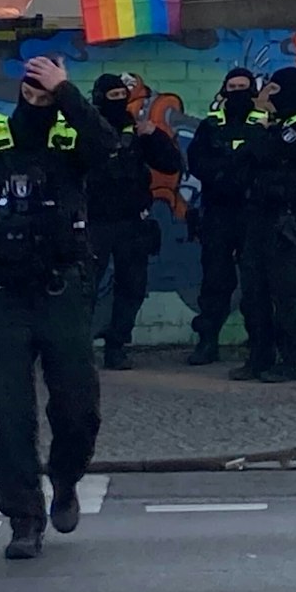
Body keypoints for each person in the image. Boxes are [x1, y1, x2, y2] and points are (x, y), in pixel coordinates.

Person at [0, 57, 115, 561]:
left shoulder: (71, 142)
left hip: (63, 293)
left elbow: (109, 147)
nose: (37, 102)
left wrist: (69, 93)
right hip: (4, 295)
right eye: (31, 94)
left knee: (77, 408)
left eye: (47, 95)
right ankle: (24, 519)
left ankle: (66, 477)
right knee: (12, 413)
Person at [232, 67, 296, 383]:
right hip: (260, 214)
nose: (265, 95)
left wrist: (261, 124)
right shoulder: (277, 125)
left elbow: (263, 151)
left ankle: (291, 360)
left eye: (273, 89)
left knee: (284, 291)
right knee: (254, 289)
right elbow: (246, 158)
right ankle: (259, 357)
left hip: (287, 217)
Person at [85, 73, 183, 371]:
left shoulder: (138, 131)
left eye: (120, 96)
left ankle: (117, 346)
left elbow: (171, 164)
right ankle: (74, 347)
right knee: (84, 288)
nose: (117, 102)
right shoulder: (86, 130)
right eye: (110, 97)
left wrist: (153, 135)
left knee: (132, 287)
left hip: (132, 222)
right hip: (95, 223)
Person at [185, 67, 263, 366]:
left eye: (243, 86)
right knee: (215, 280)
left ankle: (259, 342)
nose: (238, 91)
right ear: (224, 89)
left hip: (253, 211)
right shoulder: (211, 125)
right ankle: (207, 342)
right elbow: (195, 160)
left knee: (256, 281)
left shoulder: (262, 123)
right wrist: (220, 174)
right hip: (218, 212)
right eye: (232, 86)